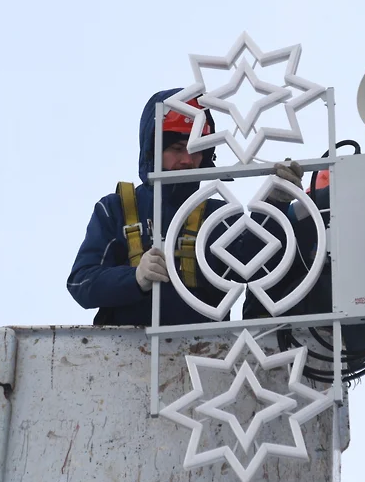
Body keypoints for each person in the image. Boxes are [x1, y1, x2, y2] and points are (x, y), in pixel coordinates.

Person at [67, 89, 304, 326]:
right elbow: (81, 282)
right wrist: (135, 278)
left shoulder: (219, 215)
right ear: (153, 151)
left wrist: (275, 203)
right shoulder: (117, 208)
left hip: (205, 353)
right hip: (123, 353)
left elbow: (255, 269)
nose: (188, 161)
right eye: (177, 148)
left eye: (196, 150)